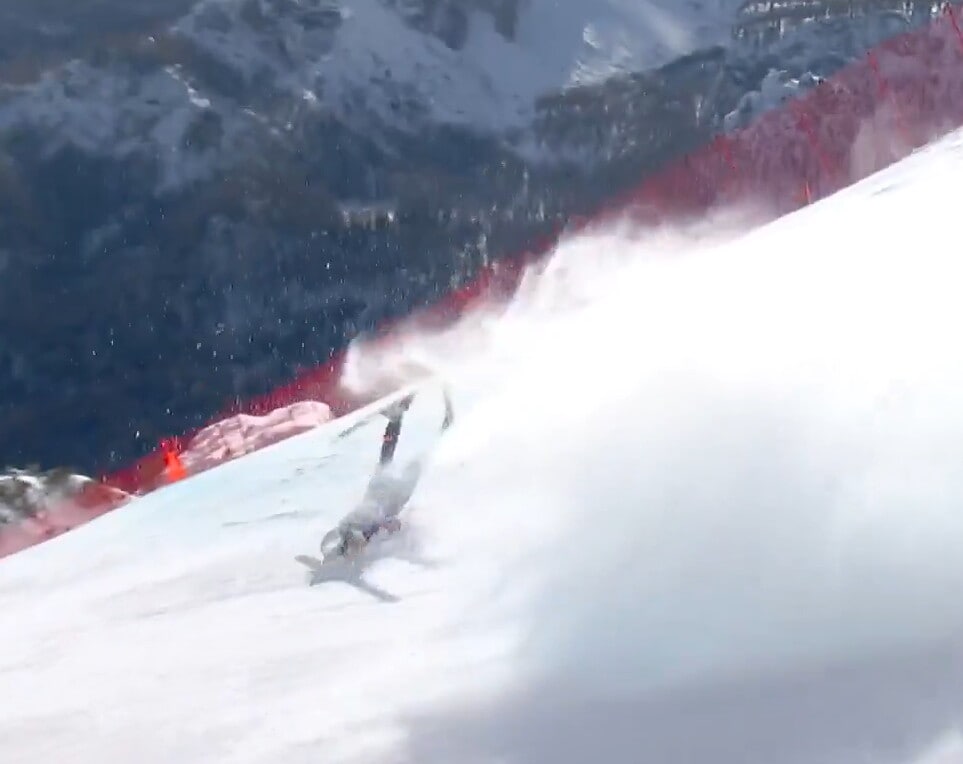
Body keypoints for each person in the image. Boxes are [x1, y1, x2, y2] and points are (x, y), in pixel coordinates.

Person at [320, 386, 454, 562]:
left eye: (355, 548)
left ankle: (399, 416)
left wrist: (387, 523)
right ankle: (433, 425)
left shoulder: (352, 529)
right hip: (390, 495)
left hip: (385, 493)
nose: (360, 549)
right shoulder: (358, 534)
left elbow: (369, 519)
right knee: (412, 460)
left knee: (390, 453)